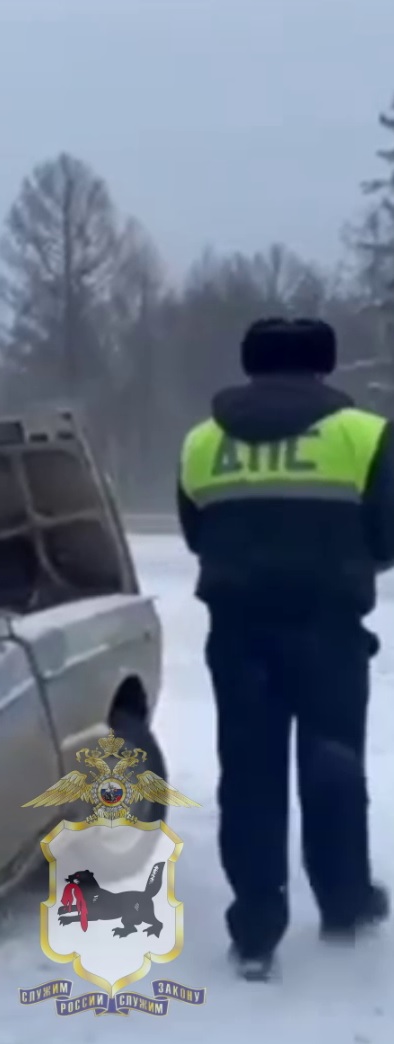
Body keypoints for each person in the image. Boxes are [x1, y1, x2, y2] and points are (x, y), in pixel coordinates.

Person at [177, 317, 393, 981]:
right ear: (325, 364)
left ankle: (255, 932)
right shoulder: (366, 435)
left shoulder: (201, 441)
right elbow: (387, 535)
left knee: (248, 776)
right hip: (327, 631)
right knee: (332, 767)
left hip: (239, 635)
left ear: (249, 363)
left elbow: (195, 534)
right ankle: (344, 902)